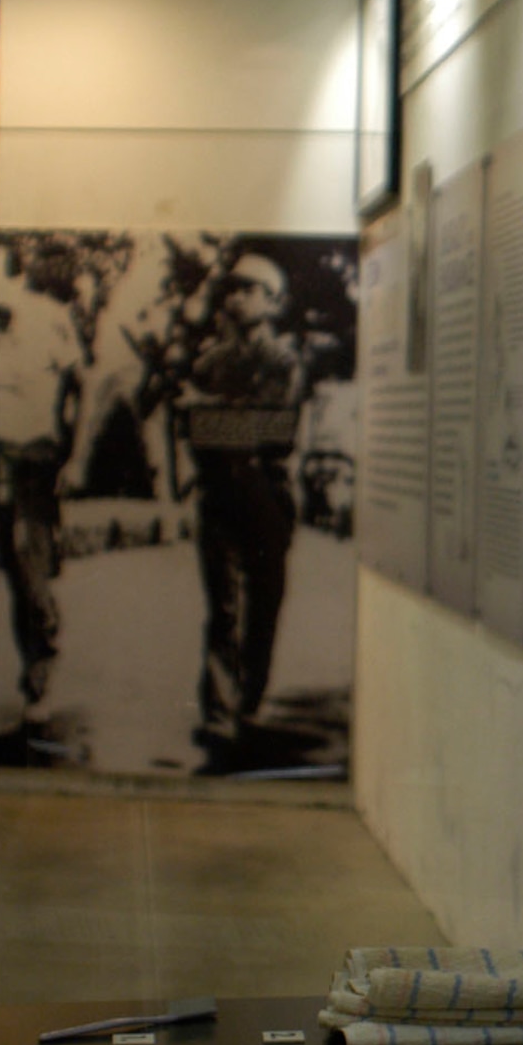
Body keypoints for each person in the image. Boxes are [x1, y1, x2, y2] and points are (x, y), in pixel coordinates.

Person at [176, 251, 307, 768]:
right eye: (231, 287)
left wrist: (207, 413)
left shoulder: (284, 363)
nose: (236, 297)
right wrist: (219, 424)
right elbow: (195, 434)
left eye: (250, 288)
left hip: (267, 500)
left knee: (264, 606)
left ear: (274, 302)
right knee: (223, 609)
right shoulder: (210, 361)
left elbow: (275, 431)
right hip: (221, 497)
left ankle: (248, 698)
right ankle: (220, 713)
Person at [0, 254, 92, 724]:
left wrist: (77, 457)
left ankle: (39, 682)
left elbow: (82, 385)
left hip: (33, 462)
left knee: (29, 573)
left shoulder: (49, 318)